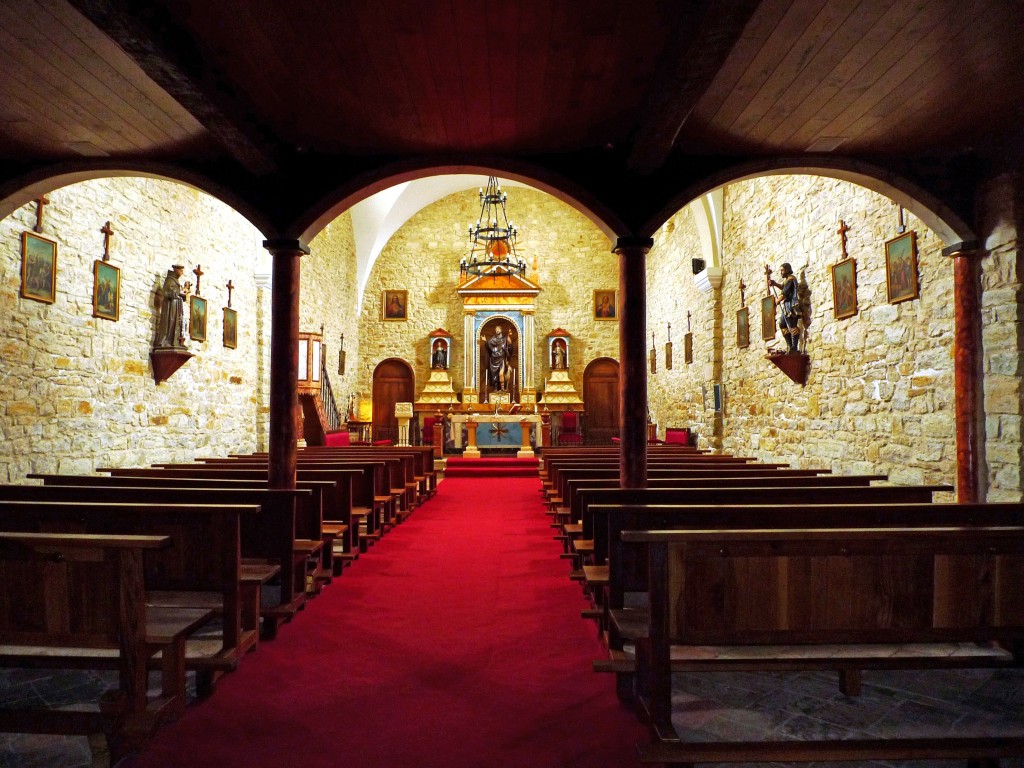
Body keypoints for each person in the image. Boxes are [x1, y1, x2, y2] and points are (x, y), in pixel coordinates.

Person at [769, 262, 801, 353]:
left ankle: (794, 347)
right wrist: (774, 284)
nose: (781, 272)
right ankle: (789, 345)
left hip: (791, 306)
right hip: (787, 306)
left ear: (787, 270)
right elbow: (783, 287)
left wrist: (778, 300)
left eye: (782, 270)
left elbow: (785, 292)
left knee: (792, 325)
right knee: (782, 324)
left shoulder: (791, 279)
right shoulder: (787, 280)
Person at [154, 264, 186, 348]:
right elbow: (166, 293)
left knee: (176, 323)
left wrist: (183, 293)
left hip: (176, 305)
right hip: (170, 306)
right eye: (181, 270)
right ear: (175, 270)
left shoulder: (175, 281)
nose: (182, 273)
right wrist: (178, 292)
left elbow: (176, 293)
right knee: (169, 323)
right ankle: (165, 341)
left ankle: (174, 341)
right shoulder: (169, 280)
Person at [486, 325, 513, 391]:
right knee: (494, 374)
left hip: (502, 358)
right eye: (496, 329)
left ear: (501, 330)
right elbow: (489, 346)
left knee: (501, 374)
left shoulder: (505, 338)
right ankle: (496, 388)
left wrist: (510, 343)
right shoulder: (493, 339)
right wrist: (486, 341)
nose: (497, 330)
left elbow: (510, 348)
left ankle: (502, 388)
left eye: (498, 329)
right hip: (494, 359)